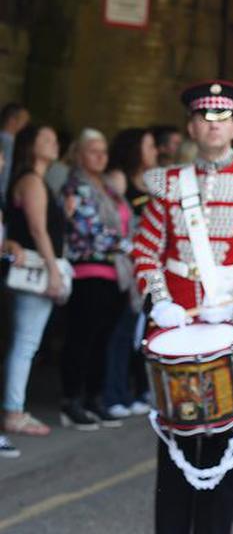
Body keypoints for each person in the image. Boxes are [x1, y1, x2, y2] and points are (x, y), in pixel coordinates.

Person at [132, 80, 233, 534]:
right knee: (174, 444)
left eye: (222, 118)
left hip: (232, 329)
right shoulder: (167, 183)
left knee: (226, 448)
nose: (213, 127)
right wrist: (159, 302)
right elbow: (146, 252)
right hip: (177, 327)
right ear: (190, 126)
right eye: (204, 118)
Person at [59, 129, 131, 429]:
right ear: (79, 154)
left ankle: (94, 399)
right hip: (88, 271)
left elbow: (129, 222)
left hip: (116, 272)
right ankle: (71, 401)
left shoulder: (110, 187)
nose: (101, 156)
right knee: (82, 338)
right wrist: (127, 245)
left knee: (104, 339)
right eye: (93, 150)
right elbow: (86, 228)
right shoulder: (76, 186)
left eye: (104, 150)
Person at [3, 124, 68, 445]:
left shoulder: (38, 181)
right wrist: (53, 270)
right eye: (47, 139)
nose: (54, 143)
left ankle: (14, 408)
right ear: (31, 146)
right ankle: (14, 411)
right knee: (25, 344)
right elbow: (38, 229)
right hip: (32, 271)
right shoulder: (31, 180)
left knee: (24, 343)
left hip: (31, 267)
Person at [101, 128, 157, 419]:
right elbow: (114, 222)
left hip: (147, 267)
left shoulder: (151, 182)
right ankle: (113, 393)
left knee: (139, 334)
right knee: (121, 334)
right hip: (125, 266)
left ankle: (134, 390)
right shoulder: (120, 179)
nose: (154, 151)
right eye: (149, 146)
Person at [0, 102, 30, 205]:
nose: (26, 126)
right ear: (12, 121)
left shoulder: (14, 143)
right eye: (24, 122)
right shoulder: (5, 143)